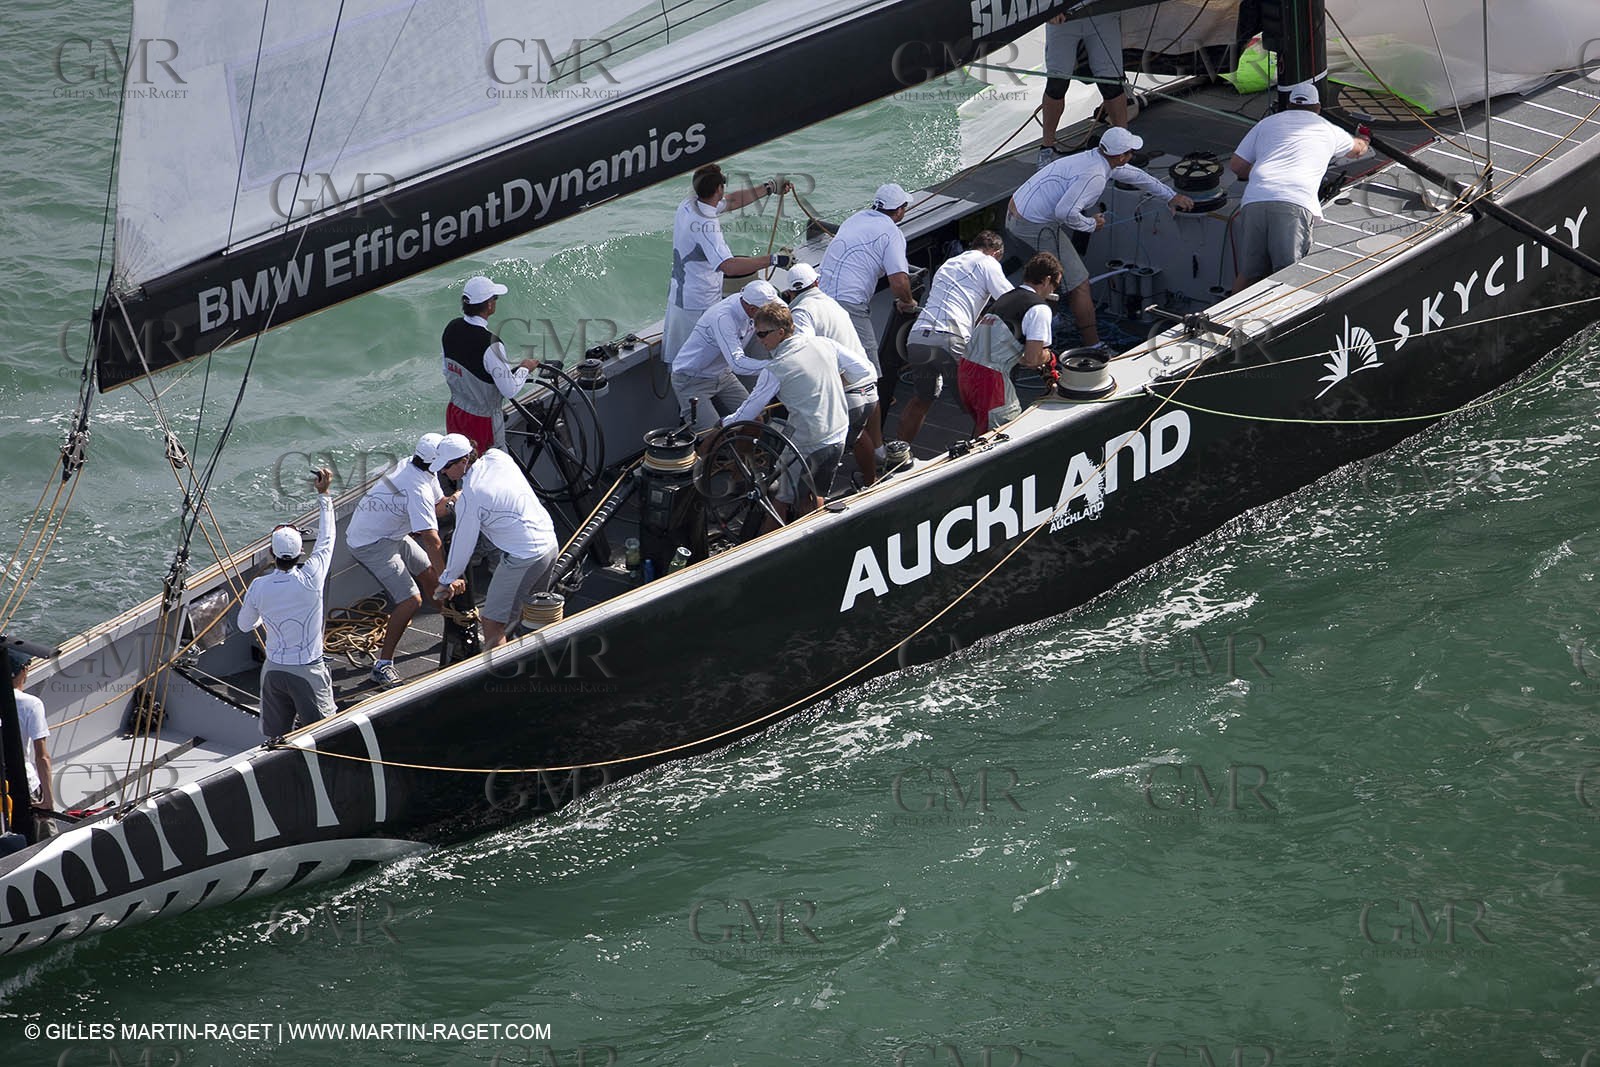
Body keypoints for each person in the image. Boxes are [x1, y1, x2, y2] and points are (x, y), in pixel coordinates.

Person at [1006, 127, 1193, 347]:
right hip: (1033, 226)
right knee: (1079, 284)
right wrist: (1091, 224)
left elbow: (1135, 174)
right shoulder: (1094, 175)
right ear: (1121, 156)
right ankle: (1094, 346)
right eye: (1130, 153)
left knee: (1045, 278)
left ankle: (1051, 322)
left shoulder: (1095, 159)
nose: (1132, 156)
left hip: (1014, 216)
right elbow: (1065, 213)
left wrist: (1170, 196)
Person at [1229, 80, 1370, 291]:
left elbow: (1237, 165)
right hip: (1294, 202)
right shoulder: (1327, 128)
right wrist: (1364, 137)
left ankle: (1226, 320)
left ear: (1289, 105)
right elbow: (1358, 150)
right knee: (1287, 272)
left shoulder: (1266, 123)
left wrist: (1264, 176)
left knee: (1249, 272)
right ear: (1318, 108)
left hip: (1255, 199)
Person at [345, 432, 456, 688]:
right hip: (370, 543)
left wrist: (455, 498)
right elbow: (431, 539)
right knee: (411, 600)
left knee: (427, 572)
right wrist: (447, 580)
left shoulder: (419, 467)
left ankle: (453, 626)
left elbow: (439, 505)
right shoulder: (415, 486)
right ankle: (382, 666)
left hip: (390, 533)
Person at [724, 302, 848, 522]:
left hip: (809, 442)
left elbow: (747, 413)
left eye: (762, 334)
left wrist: (722, 425)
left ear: (780, 332)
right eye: (756, 333)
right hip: (838, 432)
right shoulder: (823, 344)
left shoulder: (776, 368)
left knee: (784, 500)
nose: (759, 340)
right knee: (813, 494)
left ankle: (765, 547)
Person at [238, 467, 337, 740]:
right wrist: (324, 494)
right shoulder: (312, 577)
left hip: (273, 671)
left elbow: (245, 625)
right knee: (325, 735)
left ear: (271, 553)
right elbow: (328, 539)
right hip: (307, 671)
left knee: (274, 740)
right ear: (301, 552)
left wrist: (261, 614)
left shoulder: (259, 586)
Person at [432, 439, 559, 650]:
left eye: (446, 467)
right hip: (549, 542)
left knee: (492, 621)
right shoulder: (498, 458)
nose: (443, 473)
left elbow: (462, 545)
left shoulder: (472, 495)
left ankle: (498, 675)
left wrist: (446, 579)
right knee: (532, 612)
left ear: (464, 461)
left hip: (524, 557)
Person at [664, 163, 793, 363]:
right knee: (694, 359)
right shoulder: (706, 224)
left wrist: (770, 188)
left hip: (679, 297)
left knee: (680, 355)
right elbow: (729, 266)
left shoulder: (689, 204)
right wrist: (774, 259)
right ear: (718, 189)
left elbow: (732, 201)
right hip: (698, 304)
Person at [899, 230, 1013, 447]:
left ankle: (898, 455)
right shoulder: (988, 263)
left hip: (918, 338)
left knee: (921, 399)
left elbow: (962, 304)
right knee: (984, 405)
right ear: (996, 253)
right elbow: (1011, 301)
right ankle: (986, 456)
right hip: (951, 339)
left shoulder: (950, 263)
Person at [785, 263, 879, 483]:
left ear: (790, 293)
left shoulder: (800, 312)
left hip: (844, 395)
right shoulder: (833, 304)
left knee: (816, 451)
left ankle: (811, 505)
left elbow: (801, 352)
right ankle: (870, 481)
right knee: (855, 436)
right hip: (868, 391)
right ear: (816, 283)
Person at [817, 183, 919, 375]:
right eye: (904, 207)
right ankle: (874, 402)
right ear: (898, 210)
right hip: (848, 303)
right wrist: (908, 301)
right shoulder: (892, 233)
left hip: (818, 297)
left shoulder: (855, 219)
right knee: (869, 368)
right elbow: (898, 282)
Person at [958, 253, 1062, 435]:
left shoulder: (1004, 299)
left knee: (984, 432)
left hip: (965, 371)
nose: (1053, 291)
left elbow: (1010, 351)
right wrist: (1049, 356)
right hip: (990, 378)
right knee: (1007, 432)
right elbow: (1032, 359)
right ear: (1046, 280)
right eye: (1055, 285)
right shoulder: (1039, 308)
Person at [442, 275, 539, 456]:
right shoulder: (491, 344)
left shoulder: (451, 328)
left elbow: (447, 369)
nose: (495, 302)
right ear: (488, 305)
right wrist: (525, 368)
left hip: (455, 412)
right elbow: (509, 390)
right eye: (495, 298)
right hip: (483, 421)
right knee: (491, 467)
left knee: (460, 462)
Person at [671, 279, 781, 431]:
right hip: (691, 379)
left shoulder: (751, 305)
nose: (771, 316)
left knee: (756, 418)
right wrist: (779, 365)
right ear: (751, 310)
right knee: (712, 434)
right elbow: (737, 363)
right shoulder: (723, 318)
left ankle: (746, 455)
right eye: (767, 312)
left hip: (722, 374)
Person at [1040, 12, 1129, 165]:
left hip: (1103, 13)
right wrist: (1049, 8)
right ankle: (1046, 149)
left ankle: (1123, 148)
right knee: (1056, 85)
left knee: (1111, 84)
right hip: (1062, 19)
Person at [8, 652, 54, 822]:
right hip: (24, 785)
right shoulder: (31, 704)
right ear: (24, 670)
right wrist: (47, 801)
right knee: (43, 838)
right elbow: (42, 756)